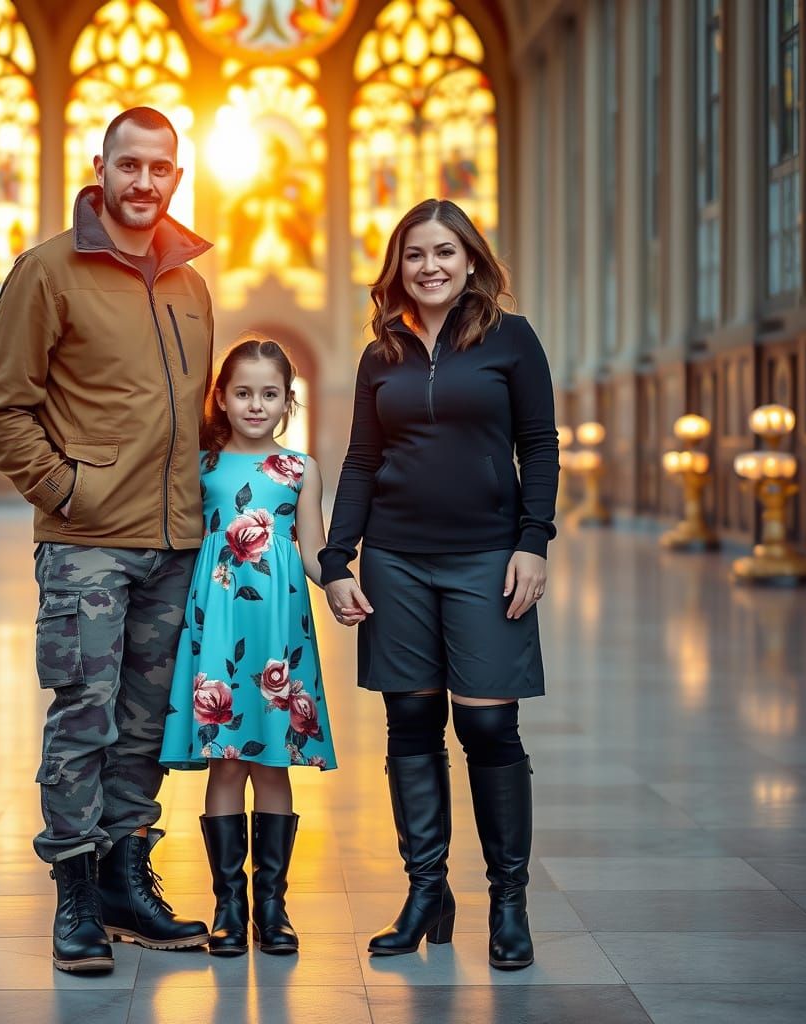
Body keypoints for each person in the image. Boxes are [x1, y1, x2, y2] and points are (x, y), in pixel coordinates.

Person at [0, 107, 215, 972]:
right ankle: (74, 896)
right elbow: (2, 412)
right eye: (129, 166)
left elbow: (194, 417)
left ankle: (125, 880)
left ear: (175, 177)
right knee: (85, 713)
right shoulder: (47, 271)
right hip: (88, 544)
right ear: (101, 169)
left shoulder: (191, 284)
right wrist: (66, 492)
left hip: (174, 543)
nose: (144, 182)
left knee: (145, 723)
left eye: (160, 168)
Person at [319, 198, 558, 969]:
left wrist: (533, 543)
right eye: (416, 254)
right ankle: (427, 891)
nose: (430, 266)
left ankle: (509, 902)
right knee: (411, 728)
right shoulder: (378, 354)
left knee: (490, 728)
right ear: (398, 267)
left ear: (470, 261)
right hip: (395, 560)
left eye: (445, 252)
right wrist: (336, 558)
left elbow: (539, 446)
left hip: (487, 558)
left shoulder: (510, 340)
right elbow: (360, 461)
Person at [160, 335, 336, 957]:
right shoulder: (201, 467)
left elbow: (314, 550)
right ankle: (229, 907)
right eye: (243, 393)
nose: (256, 405)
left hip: (278, 634)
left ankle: (273, 908)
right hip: (218, 628)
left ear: (288, 401)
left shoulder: (299, 469)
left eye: (270, 394)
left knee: (273, 762)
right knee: (227, 761)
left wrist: (343, 582)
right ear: (222, 398)